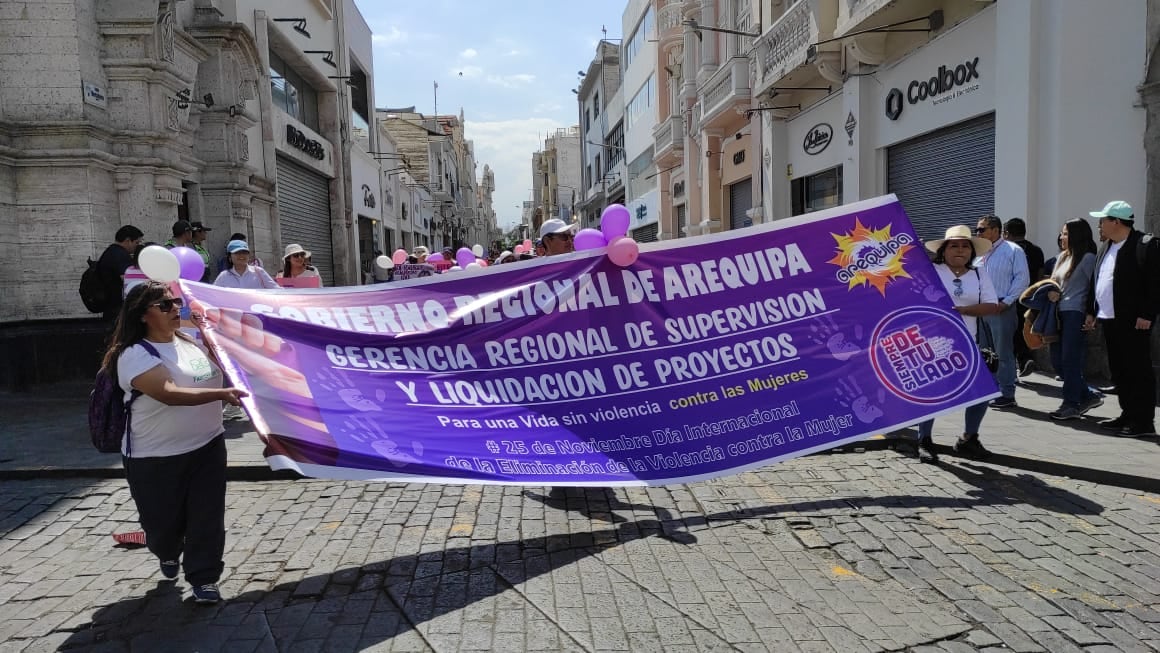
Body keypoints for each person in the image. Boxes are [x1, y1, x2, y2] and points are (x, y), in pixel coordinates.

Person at [103, 281, 247, 604]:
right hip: (154, 457)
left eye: (176, 303)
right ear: (143, 315)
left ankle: (204, 577)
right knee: (163, 528)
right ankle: (166, 551)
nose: (174, 309)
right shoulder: (134, 355)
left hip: (208, 445)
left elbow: (219, 369)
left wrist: (214, 340)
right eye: (165, 305)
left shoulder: (189, 340)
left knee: (207, 515)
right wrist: (222, 395)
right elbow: (168, 393)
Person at [914, 226, 1001, 463]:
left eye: (965, 246)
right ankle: (924, 440)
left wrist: (963, 311)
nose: (960, 250)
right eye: (954, 245)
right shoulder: (931, 270)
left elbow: (992, 305)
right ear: (944, 250)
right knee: (932, 392)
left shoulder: (980, 274)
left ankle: (968, 438)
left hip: (967, 342)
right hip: (931, 342)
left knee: (984, 389)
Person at [1085, 201, 1160, 437]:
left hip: (1134, 321)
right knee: (1119, 370)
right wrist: (1091, 310)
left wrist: (1147, 314)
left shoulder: (1145, 245)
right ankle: (1127, 414)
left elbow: (1155, 284)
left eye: (1103, 221)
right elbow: (1096, 281)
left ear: (1116, 222)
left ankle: (1143, 422)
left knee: (1138, 370)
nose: (1099, 226)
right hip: (1109, 317)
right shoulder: (1106, 247)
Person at [1044, 219, 1102, 420]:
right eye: (1061, 233)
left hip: (1075, 313)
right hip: (1057, 314)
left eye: (1066, 233)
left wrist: (1091, 313)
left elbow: (1096, 288)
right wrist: (1051, 292)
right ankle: (1088, 394)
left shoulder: (1088, 258)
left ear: (1077, 235)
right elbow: (1053, 282)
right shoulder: (1061, 257)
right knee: (1057, 361)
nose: (1062, 237)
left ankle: (1070, 404)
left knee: (1070, 360)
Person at [975, 215, 1030, 408]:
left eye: (981, 229)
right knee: (986, 351)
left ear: (995, 230)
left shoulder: (1013, 251)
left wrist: (1006, 302)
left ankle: (1007, 393)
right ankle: (992, 388)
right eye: (978, 230)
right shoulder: (980, 253)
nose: (978, 233)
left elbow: (1022, 279)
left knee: (1003, 352)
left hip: (1001, 308)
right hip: (982, 309)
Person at [1005, 218, 1044, 377]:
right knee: (1025, 329)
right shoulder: (1036, 250)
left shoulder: (1009, 250)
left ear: (1006, 233)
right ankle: (1024, 359)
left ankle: (1020, 361)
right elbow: (1041, 275)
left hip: (1011, 297)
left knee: (1011, 332)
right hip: (1031, 298)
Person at [97, 225, 144, 324]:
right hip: (117, 308)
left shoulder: (110, 251)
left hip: (110, 306)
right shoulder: (120, 255)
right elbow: (127, 280)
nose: (137, 246)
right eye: (136, 242)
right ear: (127, 240)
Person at [214, 240, 278, 289]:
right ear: (230, 257)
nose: (242, 256)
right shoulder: (223, 276)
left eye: (245, 253)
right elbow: (213, 295)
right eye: (237, 253)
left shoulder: (259, 272)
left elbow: (276, 290)